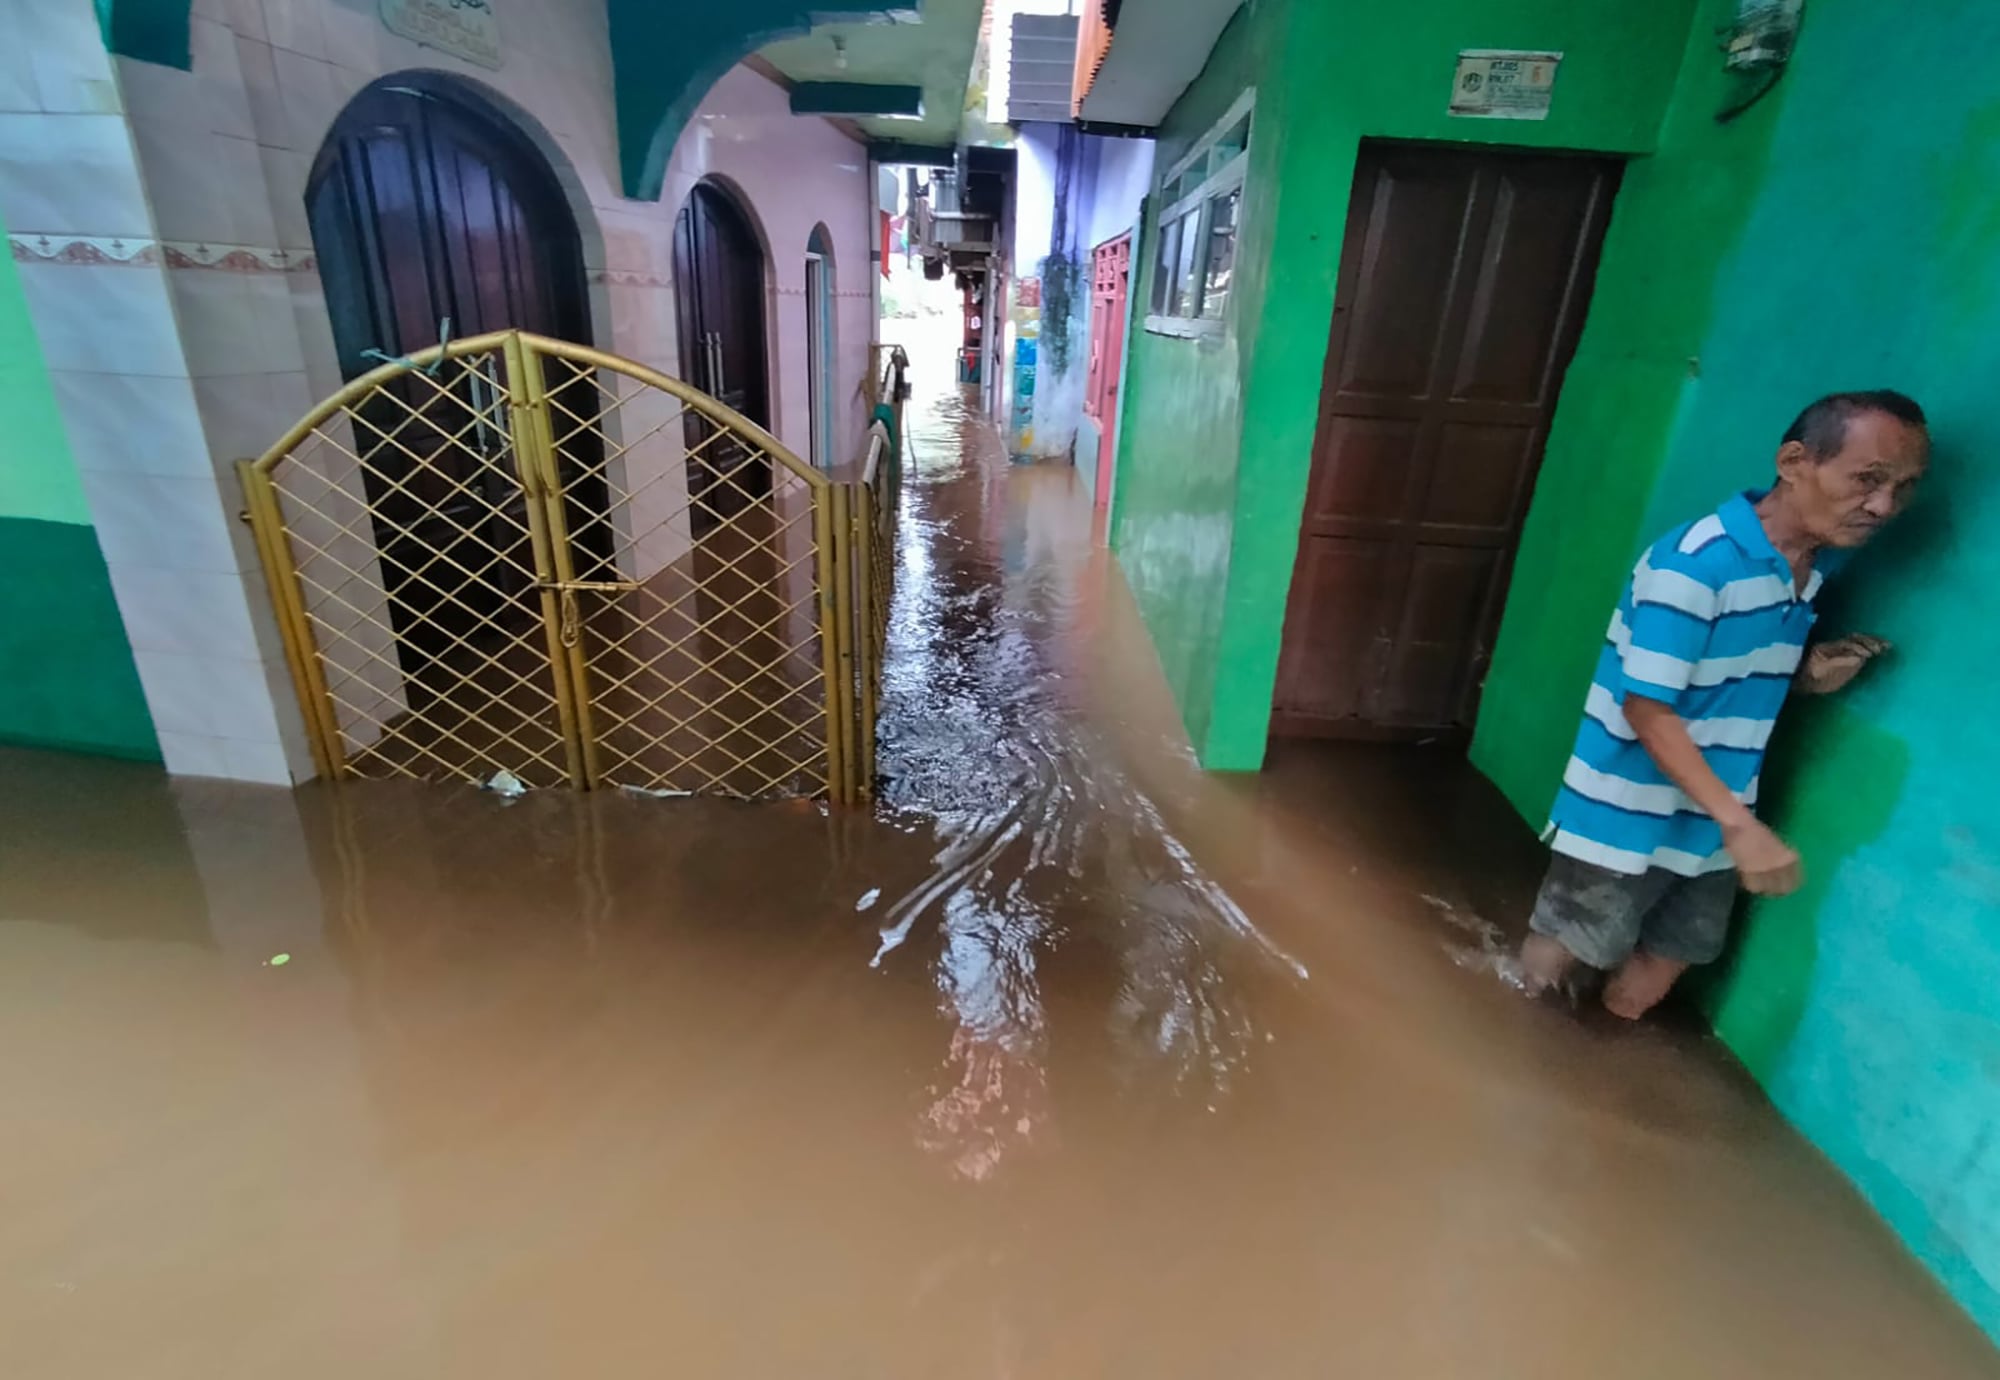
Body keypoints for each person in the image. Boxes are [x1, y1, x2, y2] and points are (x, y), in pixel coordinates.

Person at [1517, 390, 1930, 1019]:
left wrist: (1802, 678)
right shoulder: (1693, 567)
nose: (1883, 505)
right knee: (1567, 951)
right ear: (1794, 461)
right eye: (1867, 480)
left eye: (1903, 488)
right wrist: (1739, 825)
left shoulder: (1806, 571)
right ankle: (1511, 1047)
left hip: (1717, 818)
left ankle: (1598, 1078)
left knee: (1675, 953)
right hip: (1628, 812)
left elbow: (1718, 678)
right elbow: (1646, 708)